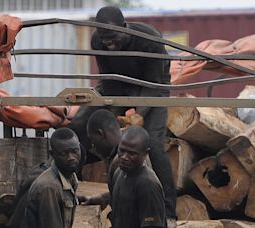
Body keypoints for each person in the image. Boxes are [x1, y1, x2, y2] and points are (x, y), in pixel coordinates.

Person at [69, 5, 177, 223]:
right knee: (80, 122)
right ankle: (71, 188)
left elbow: (154, 83)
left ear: (125, 28)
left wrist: (139, 114)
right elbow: (108, 81)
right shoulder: (98, 40)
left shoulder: (148, 39)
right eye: (104, 38)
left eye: (113, 38)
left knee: (152, 143)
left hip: (152, 85)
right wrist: (109, 109)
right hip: (117, 84)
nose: (109, 44)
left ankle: (169, 210)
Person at [87, 125, 167, 228]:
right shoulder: (119, 173)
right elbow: (124, 198)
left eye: (132, 153)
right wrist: (100, 198)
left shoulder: (148, 185)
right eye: (122, 150)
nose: (124, 157)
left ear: (145, 153)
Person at [21, 128, 81, 228]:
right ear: (52, 154)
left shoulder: (70, 176)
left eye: (75, 151)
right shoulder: (49, 188)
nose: (71, 157)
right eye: (64, 153)